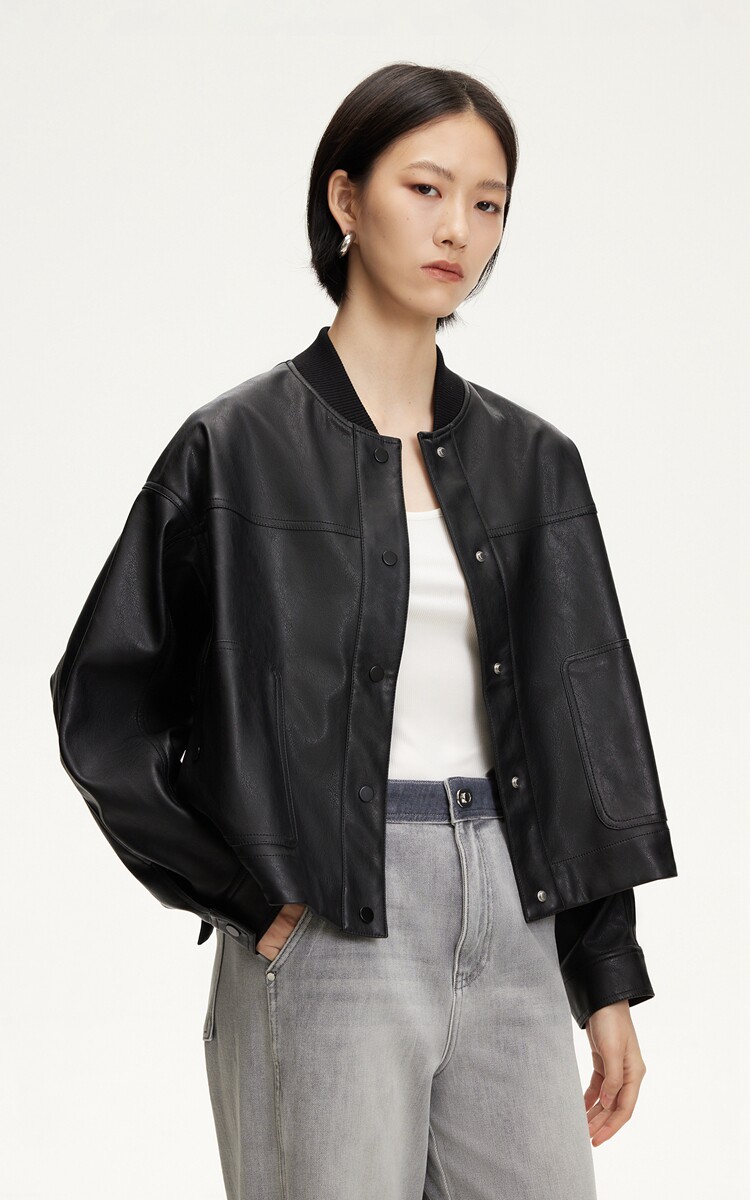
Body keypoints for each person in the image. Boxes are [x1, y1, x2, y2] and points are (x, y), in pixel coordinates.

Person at [50, 63, 678, 1200]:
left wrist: (605, 978)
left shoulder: (536, 463)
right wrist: (247, 898)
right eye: (425, 189)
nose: (458, 229)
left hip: (516, 907)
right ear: (345, 200)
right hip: (329, 915)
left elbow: (577, 734)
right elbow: (103, 705)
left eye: (488, 202)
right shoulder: (233, 449)